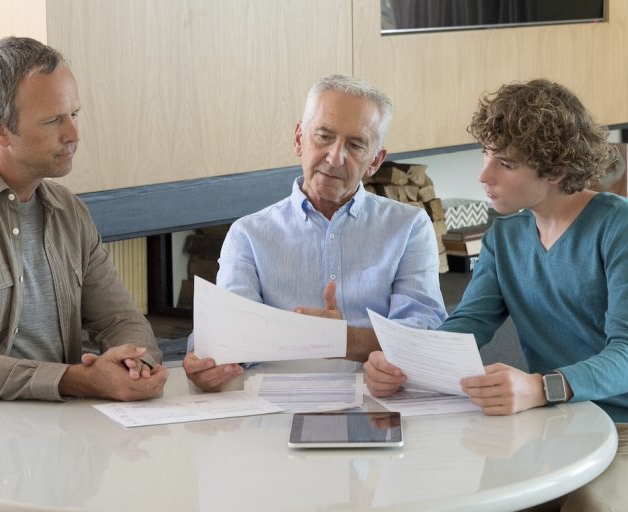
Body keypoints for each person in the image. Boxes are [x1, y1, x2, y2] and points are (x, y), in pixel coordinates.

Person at [364, 79, 628, 511]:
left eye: (505, 163)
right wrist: (404, 362)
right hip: (559, 423)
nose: (484, 174)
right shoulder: (504, 237)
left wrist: (539, 387)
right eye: (486, 154)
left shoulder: (624, 225)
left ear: (556, 169)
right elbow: (467, 326)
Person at [0, 36, 168, 401]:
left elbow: (121, 320)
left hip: (66, 430)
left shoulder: (69, 211)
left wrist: (134, 363)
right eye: (52, 121)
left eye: (74, 115)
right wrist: (75, 379)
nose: (73, 134)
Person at [184, 75, 446, 391]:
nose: (335, 157)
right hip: (274, 407)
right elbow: (229, 333)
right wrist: (209, 362)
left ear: (375, 161)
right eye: (323, 136)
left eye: (356, 144)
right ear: (299, 139)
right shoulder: (249, 234)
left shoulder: (409, 227)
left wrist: (343, 340)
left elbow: (422, 333)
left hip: (379, 402)